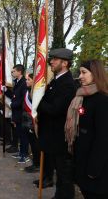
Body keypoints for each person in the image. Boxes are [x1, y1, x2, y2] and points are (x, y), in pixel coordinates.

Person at [65, 60, 108, 199]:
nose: (80, 76)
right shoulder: (82, 96)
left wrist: (94, 169)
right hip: (82, 159)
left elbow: (103, 137)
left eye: (84, 72)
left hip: (95, 166)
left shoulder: (102, 100)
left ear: (96, 74)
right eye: (80, 72)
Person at [36, 48, 76, 198]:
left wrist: (38, 102)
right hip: (51, 136)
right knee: (59, 174)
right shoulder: (56, 80)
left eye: (55, 59)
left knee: (63, 175)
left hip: (59, 139)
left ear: (64, 63)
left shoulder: (67, 84)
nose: (51, 62)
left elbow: (55, 109)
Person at [4, 64, 28, 163]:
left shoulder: (24, 83)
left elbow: (22, 99)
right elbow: (14, 95)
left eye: (13, 71)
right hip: (16, 112)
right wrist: (5, 91)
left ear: (19, 72)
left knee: (23, 135)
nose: (12, 73)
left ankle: (25, 155)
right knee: (19, 133)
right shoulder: (17, 82)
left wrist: (12, 104)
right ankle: (21, 152)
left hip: (21, 113)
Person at [22, 73, 40, 173]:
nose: (27, 81)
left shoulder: (35, 93)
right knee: (32, 144)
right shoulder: (27, 91)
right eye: (27, 79)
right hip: (27, 121)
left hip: (33, 122)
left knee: (35, 144)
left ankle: (37, 164)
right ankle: (35, 162)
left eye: (29, 79)